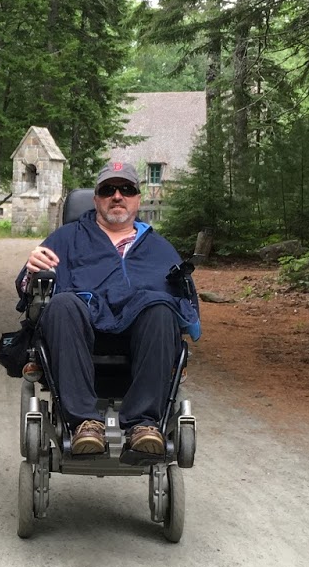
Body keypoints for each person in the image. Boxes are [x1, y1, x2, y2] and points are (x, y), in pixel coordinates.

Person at [19, 160, 199, 457]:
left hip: (142, 338)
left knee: (162, 309)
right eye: (108, 190)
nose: (117, 196)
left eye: (126, 189)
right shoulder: (66, 238)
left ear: (137, 199)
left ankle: (143, 424)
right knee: (62, 303)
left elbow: (185, 300)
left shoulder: (159, 248)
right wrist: (31, 269)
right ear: (96, 199)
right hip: (78, 333)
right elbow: (29, 288)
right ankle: (85, 424)